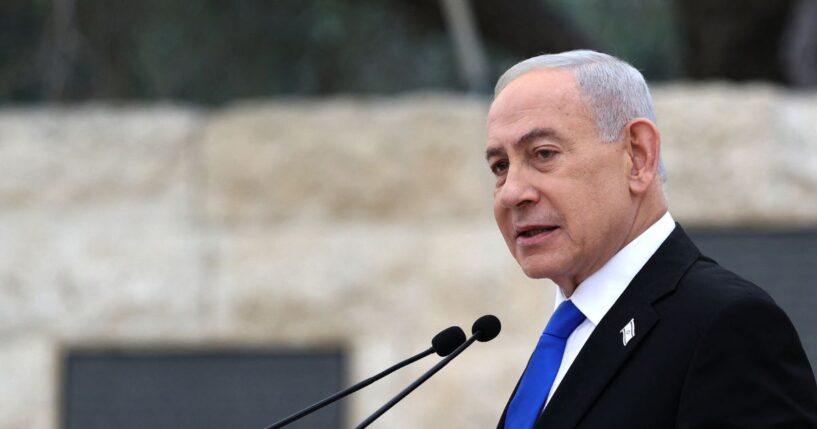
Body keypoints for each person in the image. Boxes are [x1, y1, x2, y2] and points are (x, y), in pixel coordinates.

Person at [486, 50, 817, 428]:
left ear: (638, 156)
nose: (512, 192)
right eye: (500, 166)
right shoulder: (566, 336)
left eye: (544, 154)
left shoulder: (727, 326)